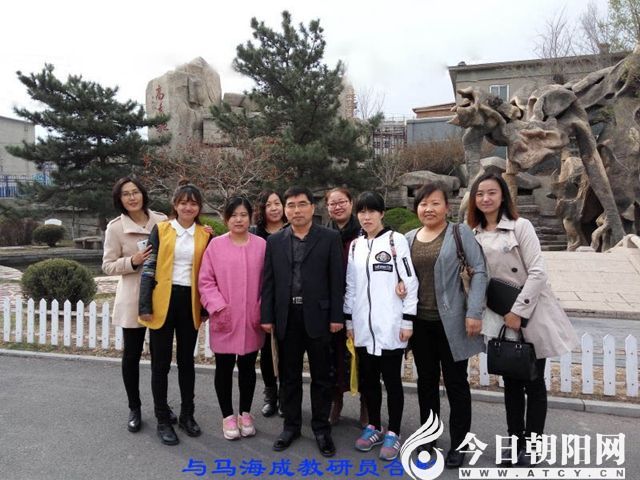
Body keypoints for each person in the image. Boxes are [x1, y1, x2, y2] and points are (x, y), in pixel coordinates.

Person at [468, 172, 578, 466]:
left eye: (491, 192)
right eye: (480, 194)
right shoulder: (473, 234)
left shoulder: (520, 226)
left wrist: (518, 311)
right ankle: (514, 442)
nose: (485, 198)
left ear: (503, 195)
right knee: (511, 383)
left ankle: (534, 445)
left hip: (529, 313)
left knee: (533, 381)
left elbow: (538, 272)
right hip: (498, 314)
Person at [405, 183, 488, 469]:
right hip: (421, 324)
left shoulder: (459, 233)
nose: (428, 209)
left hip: (452, 323)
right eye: (423, 203)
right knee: (426, 383)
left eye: (435, 203)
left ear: (446, 207)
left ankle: (459, 444)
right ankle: (428, 438)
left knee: (456, 384)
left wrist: (474, 311)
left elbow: (479, 271)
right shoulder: (409, 238)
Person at [261, 186, 344, 458]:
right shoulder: (275, 241)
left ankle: (321, 428)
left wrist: (336, 316)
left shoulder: (329, 238)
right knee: (289, 376)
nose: (296, 210)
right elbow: (269, 282)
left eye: (301, 204)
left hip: (319, 317)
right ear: (285, 209)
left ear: (312, 207)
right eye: (291, 205)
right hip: (287, 317)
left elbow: (337, 280)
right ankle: (291, 426)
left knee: (322, 376)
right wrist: (267, 316)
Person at [344, 191, 418, 462]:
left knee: (392, 381)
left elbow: (409, 282)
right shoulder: (356, 246)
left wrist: (407, 320)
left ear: (382, 213)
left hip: (390, 326)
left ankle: (394, 431)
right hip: (364, 327)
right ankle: (374, 426)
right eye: (361, 212)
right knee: (369, 381)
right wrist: (350, 320)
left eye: (371, 211)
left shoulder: (396, 241)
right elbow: (351, 286)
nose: (366, 217)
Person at [138, 181, 211, 446]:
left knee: (186, 362)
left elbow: (209, 275)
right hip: (162, 302)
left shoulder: (205, 234)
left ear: (199, 207)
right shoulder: (161, 229)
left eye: (193, 203)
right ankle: (162, 419)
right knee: (160, 364)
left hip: (189, 302)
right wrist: (145, 305)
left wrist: (205, 308)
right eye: (183, 202)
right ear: (175, 205)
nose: (188, 207)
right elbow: (149, 266)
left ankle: (187, 415)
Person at [102, 177, 176, 433]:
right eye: (126, 194)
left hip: (160, 297)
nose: (132, 197)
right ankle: (134, 407)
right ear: (119, 200)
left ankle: (161, 407)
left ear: (143, 194)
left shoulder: (162, 220)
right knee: (131, 356)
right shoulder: (115, 228)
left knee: (161, 359)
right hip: (133, 299)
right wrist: (132, 261)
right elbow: (107, 265)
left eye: (135, 192)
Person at [199, 197, 266, 440]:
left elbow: (269, 281)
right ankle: (227, 415)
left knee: (248, 367)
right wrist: (218, 306)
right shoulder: (216, 246)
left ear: (251, 217)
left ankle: (245, 413)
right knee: (224, 368)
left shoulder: (261, 245)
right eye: (234, 215)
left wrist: (261, 307)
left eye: (243, 215)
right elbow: (205, 281)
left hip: (251, 318)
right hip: (225, 316)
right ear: (226, 219)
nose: (239, 219)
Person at [325, 187, 367, 427]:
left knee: (363, 357)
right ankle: (336, 402)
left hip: (362, 305)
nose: (337, 207)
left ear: (351, 203)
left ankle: (366, 405)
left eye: (342, 202)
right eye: (333, 203)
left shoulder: (364, 232)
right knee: (334, 357)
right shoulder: (323, 233)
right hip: (333, 306)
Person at [250, 190, 286, 418]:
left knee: (288, 351)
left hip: (288, 298)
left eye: (277, 203)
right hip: (262, 297)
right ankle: (270, 395)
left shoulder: (293, 229)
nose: (274, 208)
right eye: (268, 204)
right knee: (266, 352)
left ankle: (286, 396)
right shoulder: (255, 233)